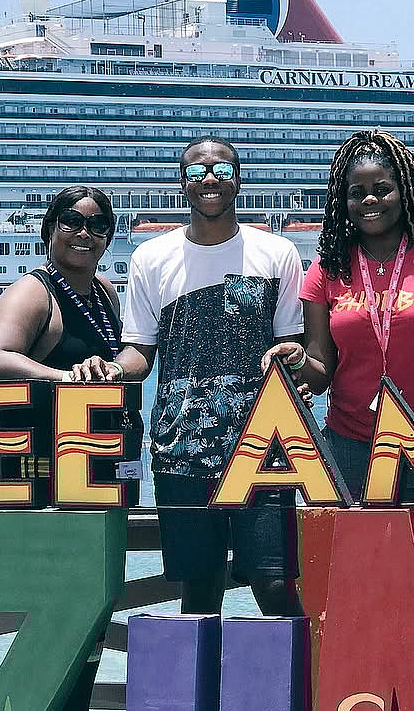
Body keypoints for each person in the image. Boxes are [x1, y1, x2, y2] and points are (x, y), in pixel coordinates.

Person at [265, 127, 414, 669]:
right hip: (352, 446)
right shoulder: (326, 268)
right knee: (359, 585)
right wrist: (296, 360)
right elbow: (321, 368)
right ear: (342, 200)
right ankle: (367, 707)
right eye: (357, 192)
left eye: (382, 188)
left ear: (405, 190)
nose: (370, 200)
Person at [99, 136, 306, 619]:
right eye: (196, 172)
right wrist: (113, 369)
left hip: (265, 447)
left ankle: (299, 674)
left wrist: (297, 358)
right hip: (180, 448)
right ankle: (205, 675)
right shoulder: (150, 257)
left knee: (275, 585)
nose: (209, 179)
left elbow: (294, 343)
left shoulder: (278, 253)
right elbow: (140, 351)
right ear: (182, 184)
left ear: (239, 180)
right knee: (197, 595)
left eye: (221, 170)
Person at [0, 184, 124, 711]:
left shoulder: (104, 293)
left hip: (94, 468)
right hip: (45, 472)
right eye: (70, 221)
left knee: (93, 611)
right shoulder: (34, 291)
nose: (83, 233)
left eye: (97, 224)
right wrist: (65, 379)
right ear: (48, 229)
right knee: (66, 608)